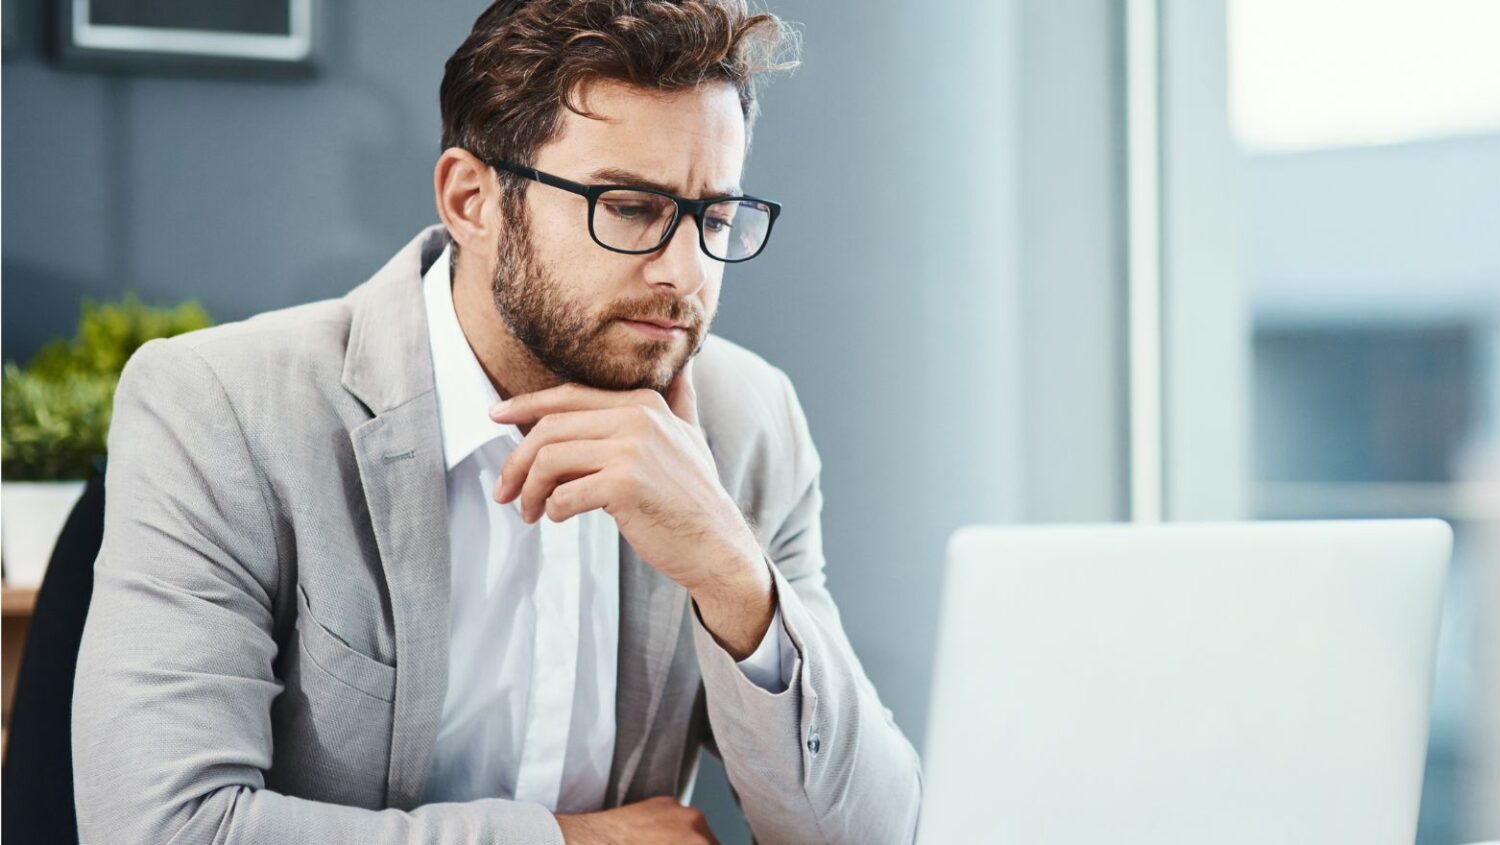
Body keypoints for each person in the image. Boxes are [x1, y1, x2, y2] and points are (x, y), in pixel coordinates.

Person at [70, 2, 921, 843]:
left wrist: (735, 578)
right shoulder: (226, 408)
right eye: (628, 207)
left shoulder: (748, 420)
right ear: (472, 201)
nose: (686, 273)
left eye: (717, 217)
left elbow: (872, 836)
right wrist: (571, 842)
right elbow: (164, 829)